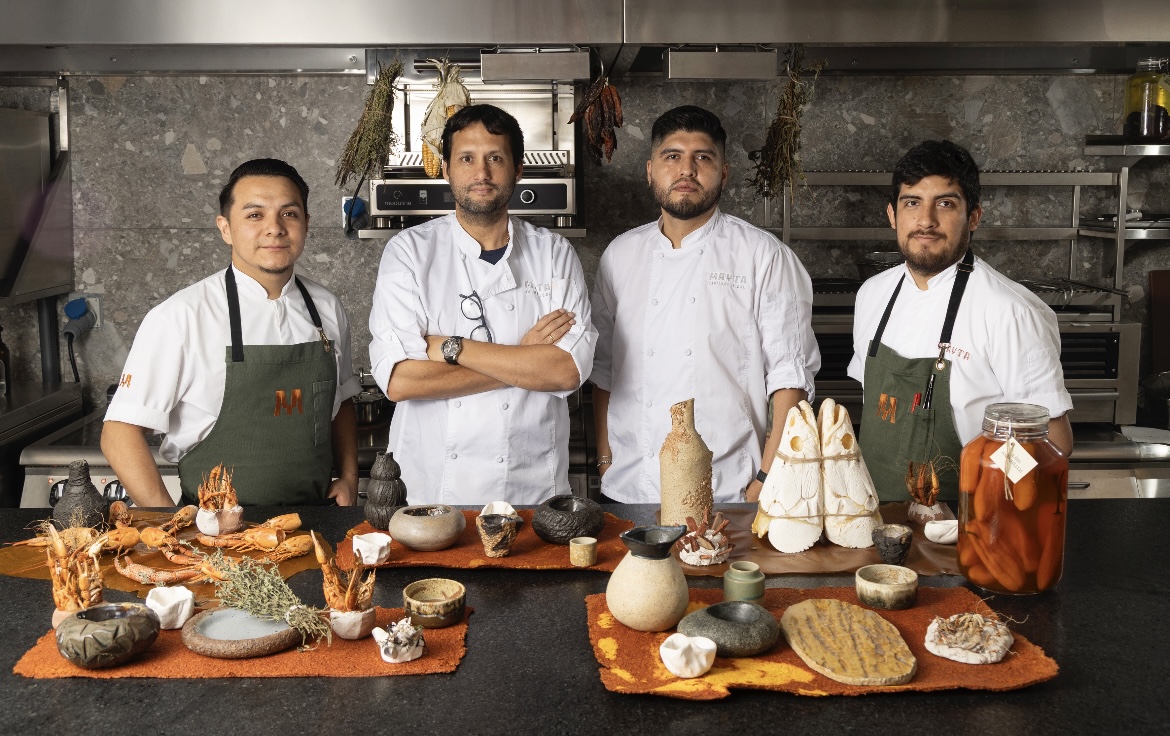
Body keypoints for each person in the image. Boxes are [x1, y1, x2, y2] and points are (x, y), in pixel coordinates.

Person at [591, 105, 820, 505]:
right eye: (672, 156)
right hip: (631, 488)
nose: (687, 170)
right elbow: (604, 370)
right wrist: (605, 460)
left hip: (729, 491)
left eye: (703, 157)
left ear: (724, 172)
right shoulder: (620, 254)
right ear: (650, 170)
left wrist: (765, 480)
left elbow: (791, 380)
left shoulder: (763, 255)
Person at [369, 104, 596, 506]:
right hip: (433, 491)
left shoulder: (553, 253)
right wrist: (524, 359)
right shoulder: (409, 252)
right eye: (466, 159)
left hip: (532, 489)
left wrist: (453, 348)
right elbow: (401, 381)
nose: (482, 173)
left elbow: (565, 371)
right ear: (445, 169)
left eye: (495, 158)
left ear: (518, 169)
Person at [102, 158, 361, 507]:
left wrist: (348, 477)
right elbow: (119, 433)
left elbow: (342, 401)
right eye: (255, 215)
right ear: (225, 228)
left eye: (289, 213)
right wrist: (169, 523)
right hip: (212, 531)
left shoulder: (327, 307)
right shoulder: (180, 317)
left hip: (317, 522)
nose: (275, 228)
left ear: (306, 224)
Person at [848, 139, 1074, 502]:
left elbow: (1052, 443)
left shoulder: (1010, 311)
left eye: (945, 203)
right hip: (871, 515)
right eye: (912, 202)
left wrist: (983, 492)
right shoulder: (872, 295)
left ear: (974, 217)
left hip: (962, 521)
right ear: (892, 215)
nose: (926, 220)